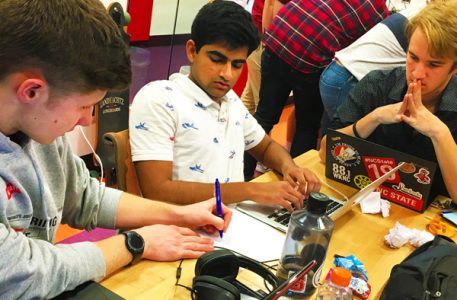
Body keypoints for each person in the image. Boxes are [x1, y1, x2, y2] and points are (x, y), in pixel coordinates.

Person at [0, 0, 232, 298]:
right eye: (84, 106)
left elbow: (83, 197)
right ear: (31, 91)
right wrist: (135, 243)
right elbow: (23, 274)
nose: (87, 119)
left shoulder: (35, 125)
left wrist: (179, 214)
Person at [129, 0, 321, 211]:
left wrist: (290, 168)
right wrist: (252, 191)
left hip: (232, 221)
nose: (227, 74)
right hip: (182, 231)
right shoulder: (159, 99)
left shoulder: (231, 102)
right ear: (192, 51)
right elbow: (158, 191)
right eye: (217, 59)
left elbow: (265, 147)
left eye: (237, 64)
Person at [319, 0, 457, 202]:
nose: (417, 73)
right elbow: (325, 152)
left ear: (454, 68)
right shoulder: (377, 84)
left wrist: (439, 132)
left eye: (434, 65)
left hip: (428, 224)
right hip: (369, 206)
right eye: (413, 57)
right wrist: (374, 118)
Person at [244, 0, 389, 179]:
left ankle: (242, 175)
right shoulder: (378, 11)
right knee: (307, 126)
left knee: (263, 117)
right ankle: (296, 183)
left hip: (278, 36)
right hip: (310, 56)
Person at [319, 1, 438, 134]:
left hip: (336, 71)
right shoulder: (425, 27)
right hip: (349, 77)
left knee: (331, 131)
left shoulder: (415, 13)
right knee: (343, 143)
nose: (418, 73)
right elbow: (338, 143)